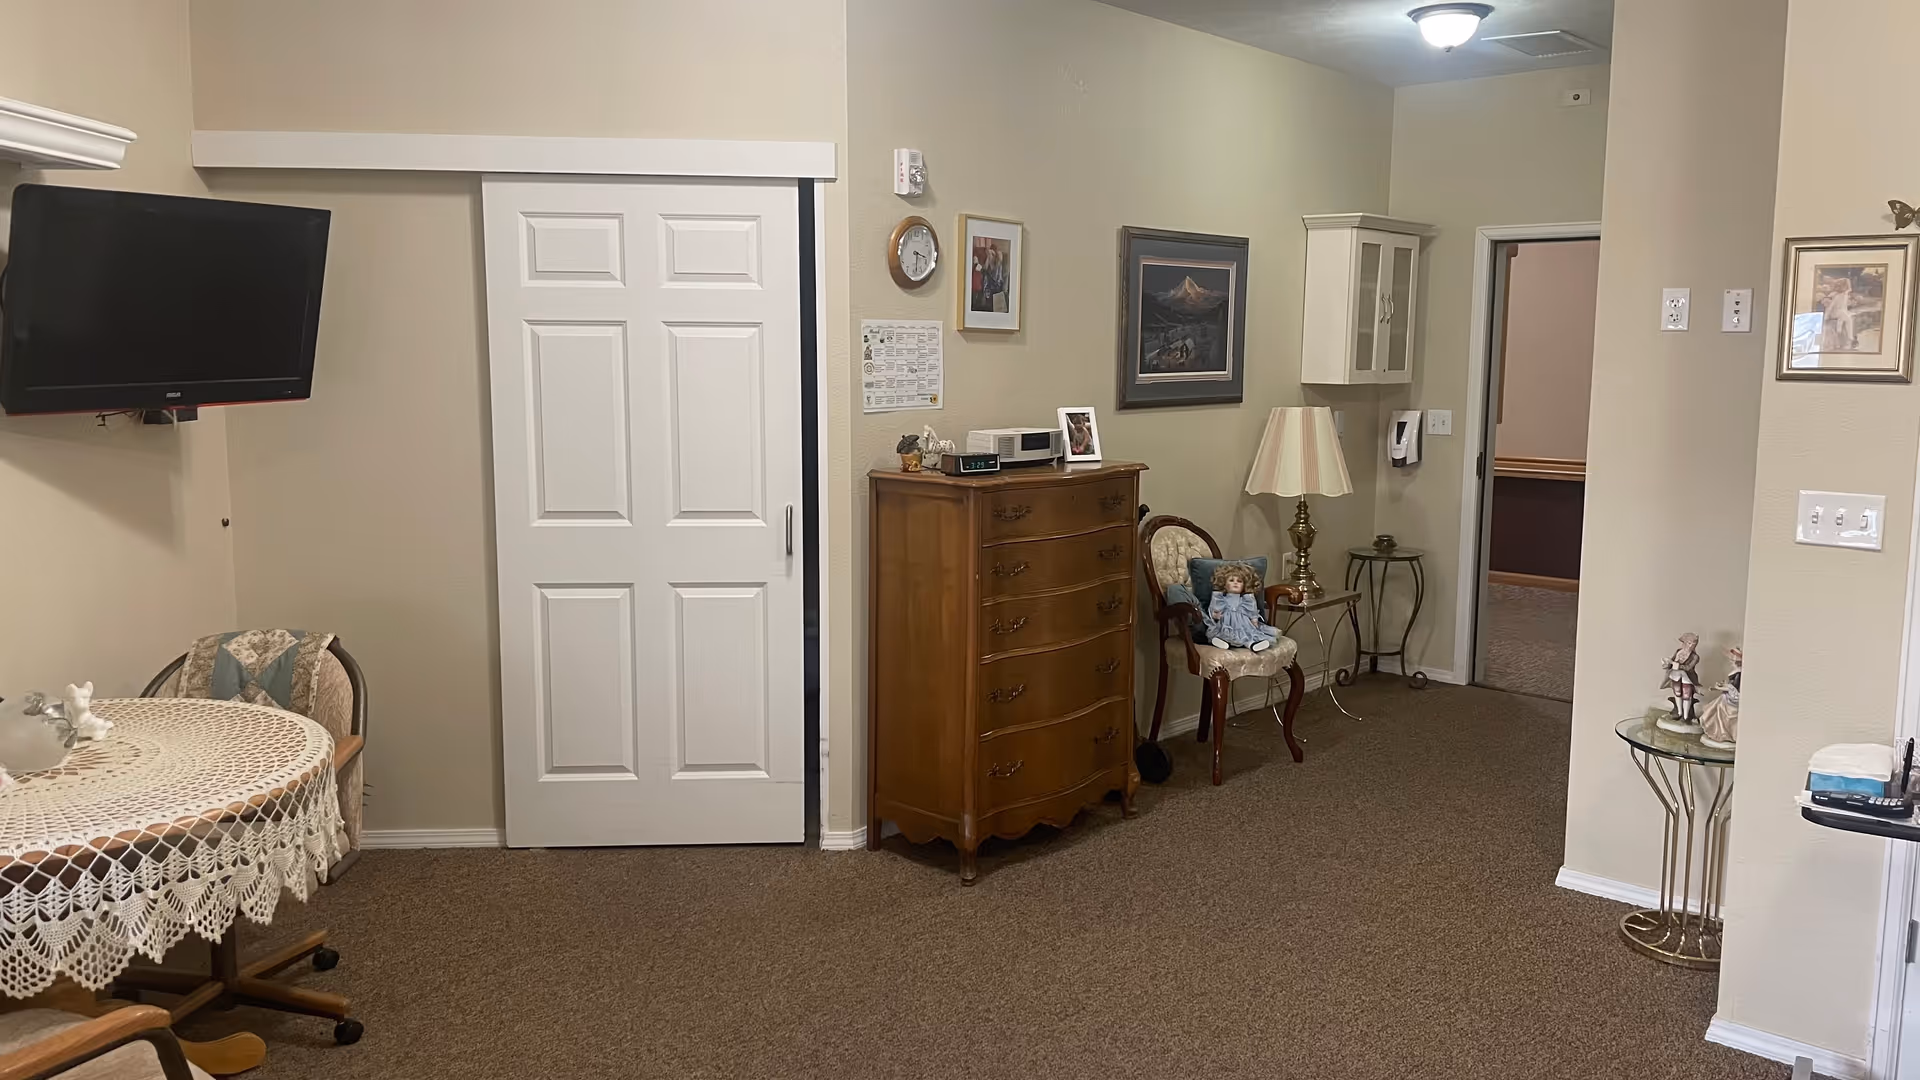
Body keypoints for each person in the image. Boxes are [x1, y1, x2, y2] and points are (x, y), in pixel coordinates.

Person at [1204, 563, 1279, 653]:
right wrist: (1215, 615)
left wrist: (1254, 619)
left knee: (1248, 634)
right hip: (1227, 622)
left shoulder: (1247, 599)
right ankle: (1222, 642)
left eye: (1239, 581)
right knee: (1223, 633)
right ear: (1224, 584)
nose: (1235, 583)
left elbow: (1252, 610)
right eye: (1231, 580)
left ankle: (1253, 644)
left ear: (1244, 585)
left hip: (1244, 624)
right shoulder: (1220, 598)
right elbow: (1215, 608)